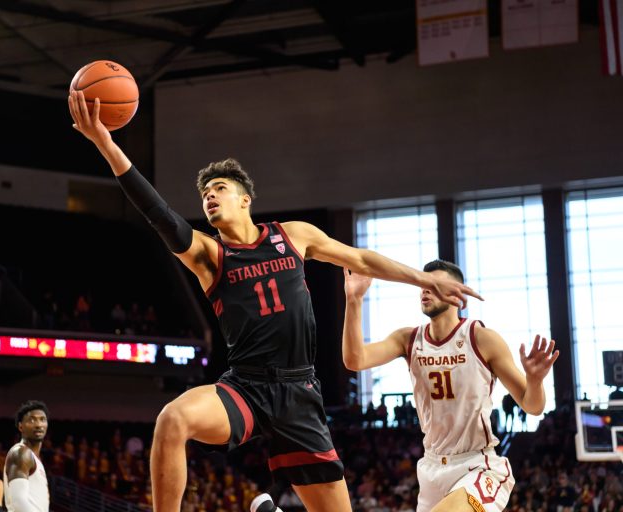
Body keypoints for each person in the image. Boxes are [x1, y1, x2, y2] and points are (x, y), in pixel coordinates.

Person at [68, 90, 480, 512]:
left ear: (245, 199)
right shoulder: (211, 257)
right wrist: (105, 142)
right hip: (246, 386)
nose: (209, 196)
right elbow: (158, 213)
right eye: (205, 193)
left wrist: (422, 278)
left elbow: (360, 258)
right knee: (172, 419)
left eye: (220, 188)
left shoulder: (292, 235)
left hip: (299, 391)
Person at [341, 260, 559, 512]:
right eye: (422, 284)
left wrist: (534, 381)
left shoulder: (480, 337)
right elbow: (354, 359)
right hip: (431, 467)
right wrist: (354, 300)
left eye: (433, 285)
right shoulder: (408, 339)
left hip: (477, 464)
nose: (424, 289)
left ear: (458, 294)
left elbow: (533, 406)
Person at [3, 401, 50, 512]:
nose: (38, 425)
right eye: (32, 420)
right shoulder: (21, 453)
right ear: (20, 426)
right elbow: (18, 502)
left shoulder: (34, 457)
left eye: (42, 419)